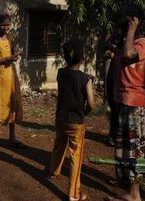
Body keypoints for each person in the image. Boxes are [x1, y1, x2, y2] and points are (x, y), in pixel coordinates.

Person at [107, 4, 145, 201]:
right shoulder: (125, 42)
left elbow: (128, 56)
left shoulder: (142, 42)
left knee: (134, 148)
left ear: (134, 21)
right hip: (121, 100)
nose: (121, 26)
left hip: (134, 102)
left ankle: (135, 194)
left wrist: (131, 31)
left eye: (126, 22)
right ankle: (124, 179)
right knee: (122, 146)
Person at [48, 39, 97, 201]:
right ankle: (74, 194)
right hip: (76, 122)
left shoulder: (61, 73)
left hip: (61, 118)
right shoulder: (86, 79)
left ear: (65, 57)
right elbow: (91, 104)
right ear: (83, 58)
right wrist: (84, 112)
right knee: (75, 157)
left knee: (59, 145)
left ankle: (54, 170)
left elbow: (69, 82)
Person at [0, 12, 24, 152]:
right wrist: (6, 59)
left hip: (11, 75)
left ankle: (12, 138)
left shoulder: (9, 36)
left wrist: (16, 56)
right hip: (0, 77)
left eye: (8, 25)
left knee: (12, 104)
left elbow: (11, 54)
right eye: (3, 25)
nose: (6, 27)